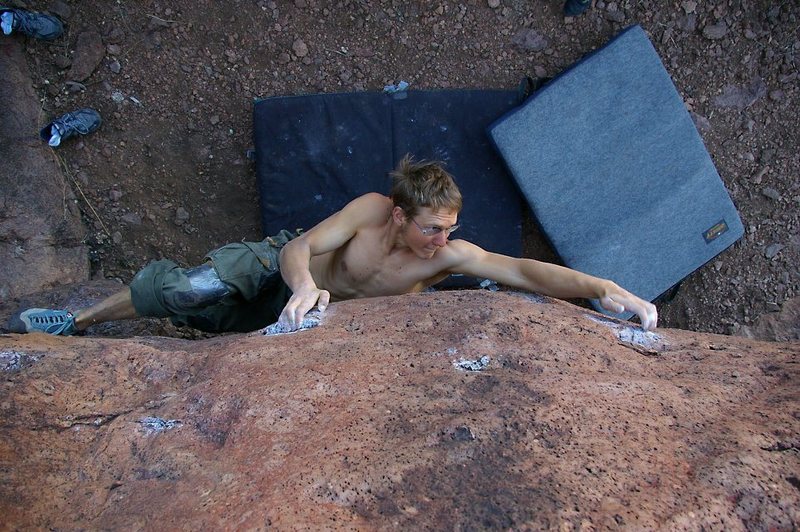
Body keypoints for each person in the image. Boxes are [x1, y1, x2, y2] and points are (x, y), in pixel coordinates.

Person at [11, 155, 657, 336]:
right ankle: (79, 321)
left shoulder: (448, 257)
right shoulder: (372, 212)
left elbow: (522, 271)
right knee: (188, 288)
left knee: (206, 328)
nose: (444, 239)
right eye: (433, 226)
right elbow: (302, 249)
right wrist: (302, 285)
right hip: (283, 272)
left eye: (450, 228)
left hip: (305, 315)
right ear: (401, 215)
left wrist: (604, 288)